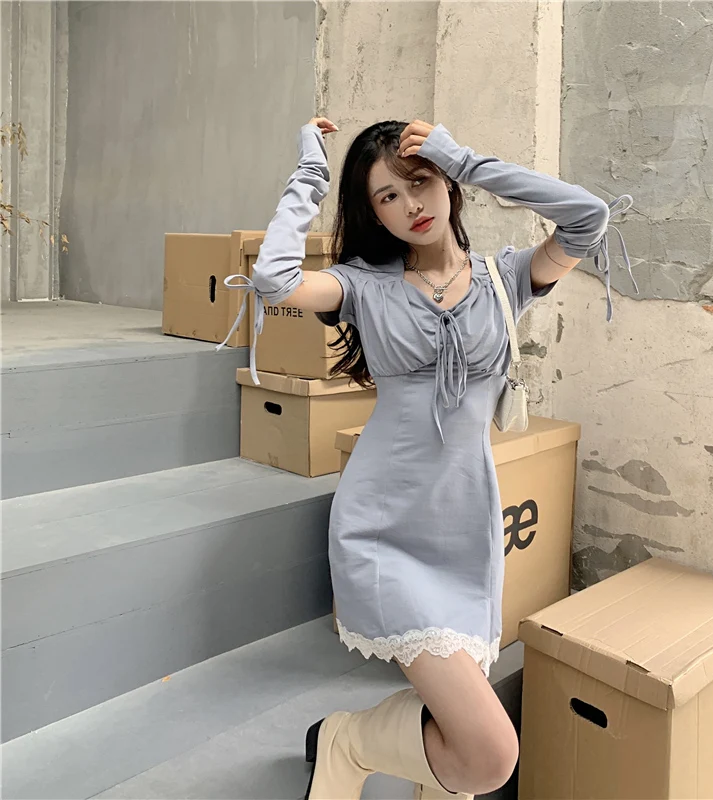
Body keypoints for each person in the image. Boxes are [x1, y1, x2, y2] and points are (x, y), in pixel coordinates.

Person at [221, 116, 634, 800]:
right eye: (387, 196)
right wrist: (310, 176)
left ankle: (385, 760)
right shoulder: (362, 287)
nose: (410, 204)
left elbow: (588, 217)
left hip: (465, 526)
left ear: (446, 182)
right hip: (383, 526)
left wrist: (466, 160)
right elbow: (273, 279)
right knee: (493, 756)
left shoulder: (505, 277)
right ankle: (348, 741)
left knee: (465, 751)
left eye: (420, 181)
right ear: (373, 213)